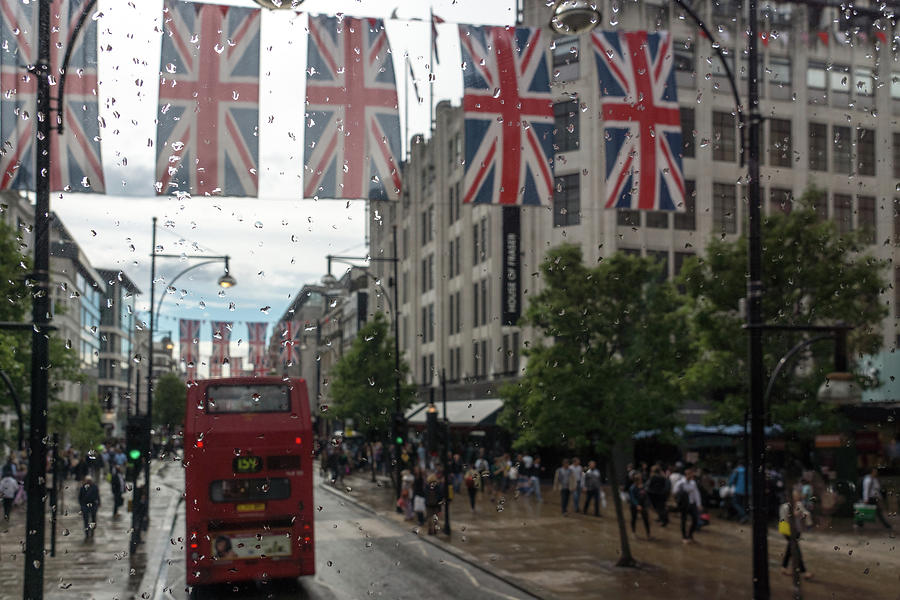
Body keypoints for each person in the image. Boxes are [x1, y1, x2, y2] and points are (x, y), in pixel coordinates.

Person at [780, 487, 813, 580]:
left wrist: (805, 518)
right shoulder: (785, 507)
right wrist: (794, 515)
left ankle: (784, 567)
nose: (797, 498)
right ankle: (804, 571)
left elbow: (806, 513)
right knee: (796, 550)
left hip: (797, 530)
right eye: (795, 496)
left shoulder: (799, 504)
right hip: (788, 531)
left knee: (790, 549)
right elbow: (783, 519)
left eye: (797, 496)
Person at [673, 467, 702, 544]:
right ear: (687, 474)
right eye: (691, 474)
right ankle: (684, 537)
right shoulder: (680, 483)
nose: (692, 475)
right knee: (683, 520)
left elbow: (696, 493)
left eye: (693, 474)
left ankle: (690, 535)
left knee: (695, 520)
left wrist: (699, 504)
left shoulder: (693, 483)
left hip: (692, 504)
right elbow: (674, 492)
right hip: (684, 504)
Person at [628, 473, 652, 539]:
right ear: (636, 481)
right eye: (639, 480)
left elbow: (646, 496)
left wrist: (647, 504)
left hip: (643, 505)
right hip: (634, 506)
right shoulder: (632, 488)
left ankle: (648, 534)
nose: (641, 481)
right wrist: (637, 505)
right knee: (634, 519)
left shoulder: (643, 487)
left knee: (646, 520)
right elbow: (632, 498)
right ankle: (633, 532)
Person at [78, 475, 101, 540]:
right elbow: (80, 497)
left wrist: (99, 502)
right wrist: (82, 505)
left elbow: (97, 495)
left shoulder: (94, 487)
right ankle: (87, 533)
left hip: (93, 504)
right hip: (85, 505)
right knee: (86, 520)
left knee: (93, 519)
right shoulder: (83, 487)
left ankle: (92, 531)